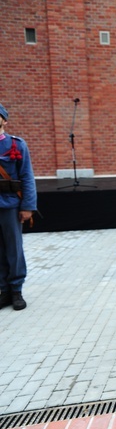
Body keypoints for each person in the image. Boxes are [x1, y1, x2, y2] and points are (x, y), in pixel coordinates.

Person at [0, 103, 36, 311]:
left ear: (4, 120)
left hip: (11, 206)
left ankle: (16, 290)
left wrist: (28, 206)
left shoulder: (16, 145)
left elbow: (27, 177)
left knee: (14, 249)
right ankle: (3, 290)